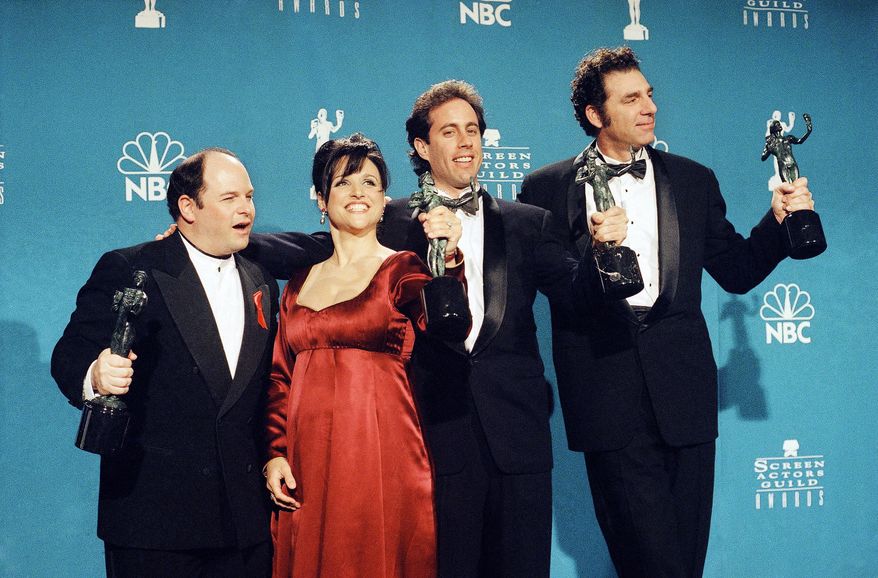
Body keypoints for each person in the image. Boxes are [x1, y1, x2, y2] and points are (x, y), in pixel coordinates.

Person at [248, 81, 573, 578]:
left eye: (473, 131)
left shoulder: (530, 222)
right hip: (432, 430)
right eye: (450, 131)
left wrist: (608, 255)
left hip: (517, 434)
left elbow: (579, 293)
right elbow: (317, 250)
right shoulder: (389, 218)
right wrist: (225, 239)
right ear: (422, 147)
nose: (466, 142)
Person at [519, 46, 816, 577]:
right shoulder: (546, 188)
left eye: (649, 94)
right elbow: (560, 291)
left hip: (685, 397)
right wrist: (593, 251)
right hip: (607, 399)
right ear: (595, 114)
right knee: (650, 564)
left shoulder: (692, 180)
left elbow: (737, 270)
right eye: (631, 99)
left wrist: (778, 222)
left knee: (683, 562)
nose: (649, 107)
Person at [51, 148, 280, 576]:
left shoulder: (261, 280)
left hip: (243, 524)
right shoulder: (132, 267)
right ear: (188, 207)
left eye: (249, 197)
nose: (246, 209)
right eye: (230, 198)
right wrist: (96, 374)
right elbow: (70, 354)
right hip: (154, 521)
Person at [262, 133, 467, 578]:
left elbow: (449, 323)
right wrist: (275, 453)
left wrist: (447, 258)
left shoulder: (404, 268)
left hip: (380, 452)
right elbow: (280, 377)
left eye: (370, 183)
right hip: (307, 460)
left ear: (384, 200)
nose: (358, 192)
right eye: (343, 183)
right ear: (321, 199)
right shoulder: (297, 282)